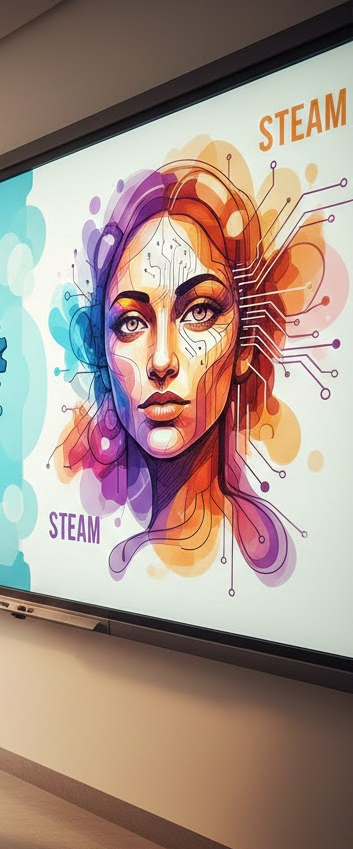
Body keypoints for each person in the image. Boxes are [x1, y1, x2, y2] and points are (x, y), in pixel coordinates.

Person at [54, 152, 334, 583]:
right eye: (131, 322)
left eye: (199, 311)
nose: (162, 360)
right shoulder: (110, 563)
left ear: (244, 341)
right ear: (102, 349)